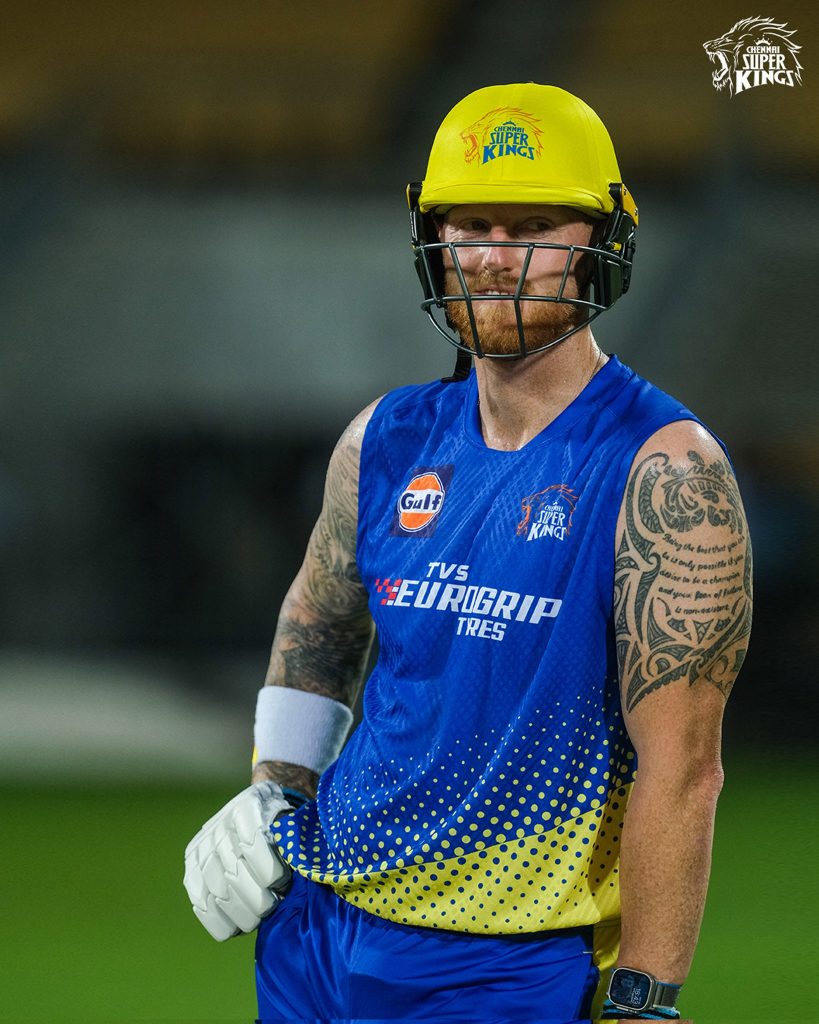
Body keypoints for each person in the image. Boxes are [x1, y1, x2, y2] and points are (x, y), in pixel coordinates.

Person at [183, 83, 752, 1023]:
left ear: (602, 241)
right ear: (433, 239)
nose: (493, 256)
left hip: (502, 965)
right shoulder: (383, 438)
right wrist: (274, 789)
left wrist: (645, 1001)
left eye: (533, 226)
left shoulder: (666, 473)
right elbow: (319, 620)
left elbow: (683, 768)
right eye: (470, 225)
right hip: (314, 931)